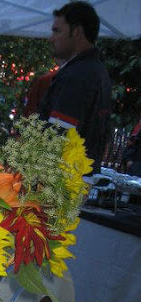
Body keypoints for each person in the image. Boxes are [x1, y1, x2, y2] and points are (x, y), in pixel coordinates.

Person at [38, 1, 111, 174]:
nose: (51, 38)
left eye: (57, 31)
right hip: (76, 180)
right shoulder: (98, 71)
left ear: (76, 32)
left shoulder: (79, 75)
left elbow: (57, 138)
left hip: (60, 183)